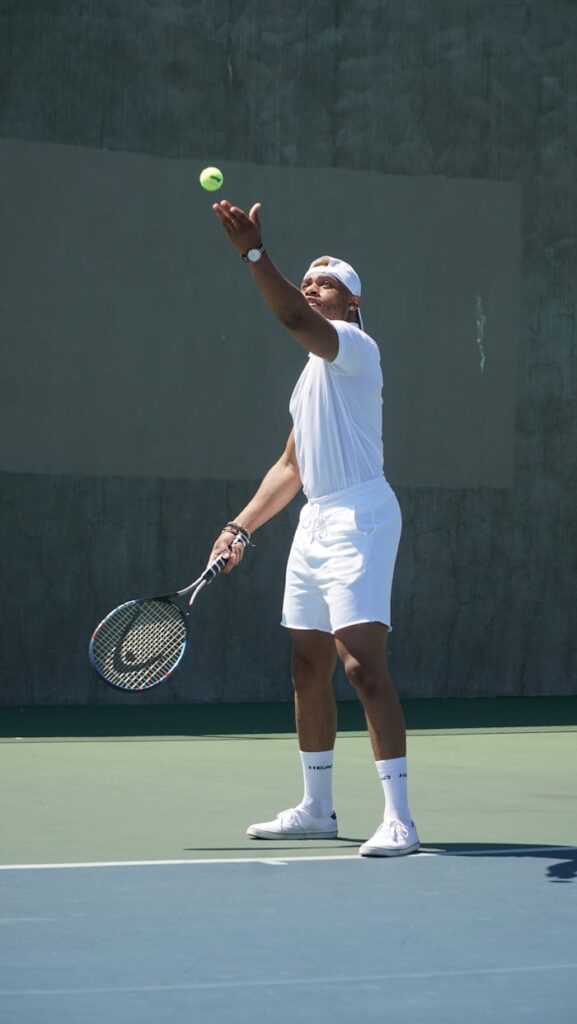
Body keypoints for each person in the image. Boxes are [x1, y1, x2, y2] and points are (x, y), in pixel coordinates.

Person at [208, 198, 419, 857]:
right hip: (315, 520)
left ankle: (400, 820)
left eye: (325, 282)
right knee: (307, 665)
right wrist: (239, 527)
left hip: (360, 513)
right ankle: (317, 808)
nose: (310, 288)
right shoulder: (309, 382)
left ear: (352, 303)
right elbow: (290, 466)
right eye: (306, 279)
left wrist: (252, 255)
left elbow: (292, 316)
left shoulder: (353, 348)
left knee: (361, 666)